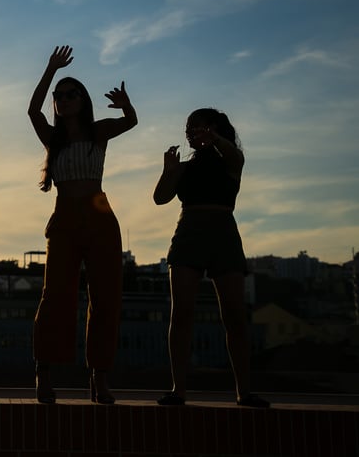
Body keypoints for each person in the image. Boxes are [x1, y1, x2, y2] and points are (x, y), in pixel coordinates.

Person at [28, 45, 137, 404]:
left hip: (100, 216)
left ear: (83, 99)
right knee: (56, 296)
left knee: (105, 298)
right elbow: (33, 110)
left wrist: (126, 105)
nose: (63, 99)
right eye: (59, 96)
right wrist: (50, 68)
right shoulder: (54, 138)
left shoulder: (97, 131)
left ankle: (99, 378)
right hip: (65, 216)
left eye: (70, 93)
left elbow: (131, 122)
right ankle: (43, 374)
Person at [153, 108, 269, 408]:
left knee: (234, 315)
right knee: (182, 313)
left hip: (223, 233)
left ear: (214, 128)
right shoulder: (185, 167)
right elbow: (160, 197)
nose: (191, 133)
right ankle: (178, 389)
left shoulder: (230, 160)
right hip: (188, 232)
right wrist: (169, 169)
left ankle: (244, 391)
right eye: (188, 128)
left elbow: (235, 156)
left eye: (198, 127)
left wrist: (214, 139)